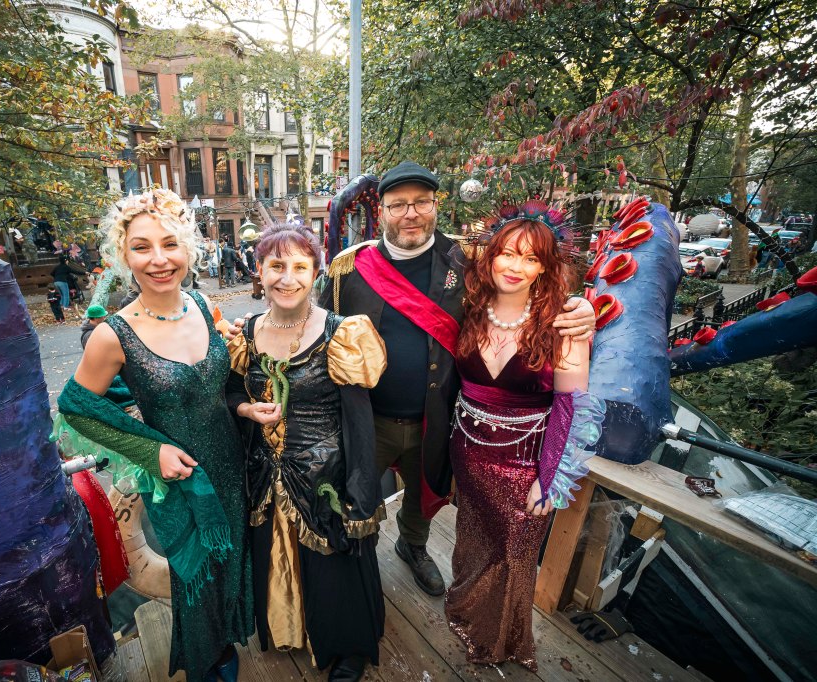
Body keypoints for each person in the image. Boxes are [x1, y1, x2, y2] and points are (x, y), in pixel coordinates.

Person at [316, 161, 595, 597]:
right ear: (382, 211)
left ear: (435, 206)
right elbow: (318, 331)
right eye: (398, 205)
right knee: (358, 493)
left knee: (426, 491)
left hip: (439, 416)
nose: (411, 213)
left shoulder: (468, 261)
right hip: (366, 416)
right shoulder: (347, 270)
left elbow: (526, 288)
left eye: (421, 203)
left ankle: (413, 546)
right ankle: (360, 562)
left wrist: (580, 306)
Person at [56, 189, 252, 682]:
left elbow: (219, 386)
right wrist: (152, 449)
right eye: (142, 247)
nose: (159, 260)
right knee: (195, 583)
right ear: (123, 255)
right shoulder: (112, 335)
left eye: (170, 244)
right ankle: (207, 668)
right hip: (179, 482)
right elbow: (75, 411)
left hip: (231, 467)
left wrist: (245, 402)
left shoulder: (205, 305)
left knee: (230, 569)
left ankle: (224, 652)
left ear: (188, 249)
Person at [444, 202, 603, 671]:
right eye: (508, 254)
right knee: (472, 543)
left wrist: (550, 479)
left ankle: (503, 642)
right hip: (467, 450)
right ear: (490, 256)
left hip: (527, 461)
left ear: (546, 268)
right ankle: (469, 616)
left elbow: (570, 408)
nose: (516, 267)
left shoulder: (565, 323)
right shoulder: (471, 309)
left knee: (515, 557)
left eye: (532, 258)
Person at [227, 223, 387, 682]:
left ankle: (347, 648)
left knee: (333, 568)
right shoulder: (248, 332)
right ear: (259, 271)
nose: (288, 278)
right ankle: (290, 628)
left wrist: (359, 489)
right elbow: (232, 392)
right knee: (278, 558)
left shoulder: (342, 334)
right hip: (266, 473)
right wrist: (245, 407)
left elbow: (359, 421)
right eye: (276, 266)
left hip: (326, 478)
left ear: (316, 271)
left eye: (300, 267)